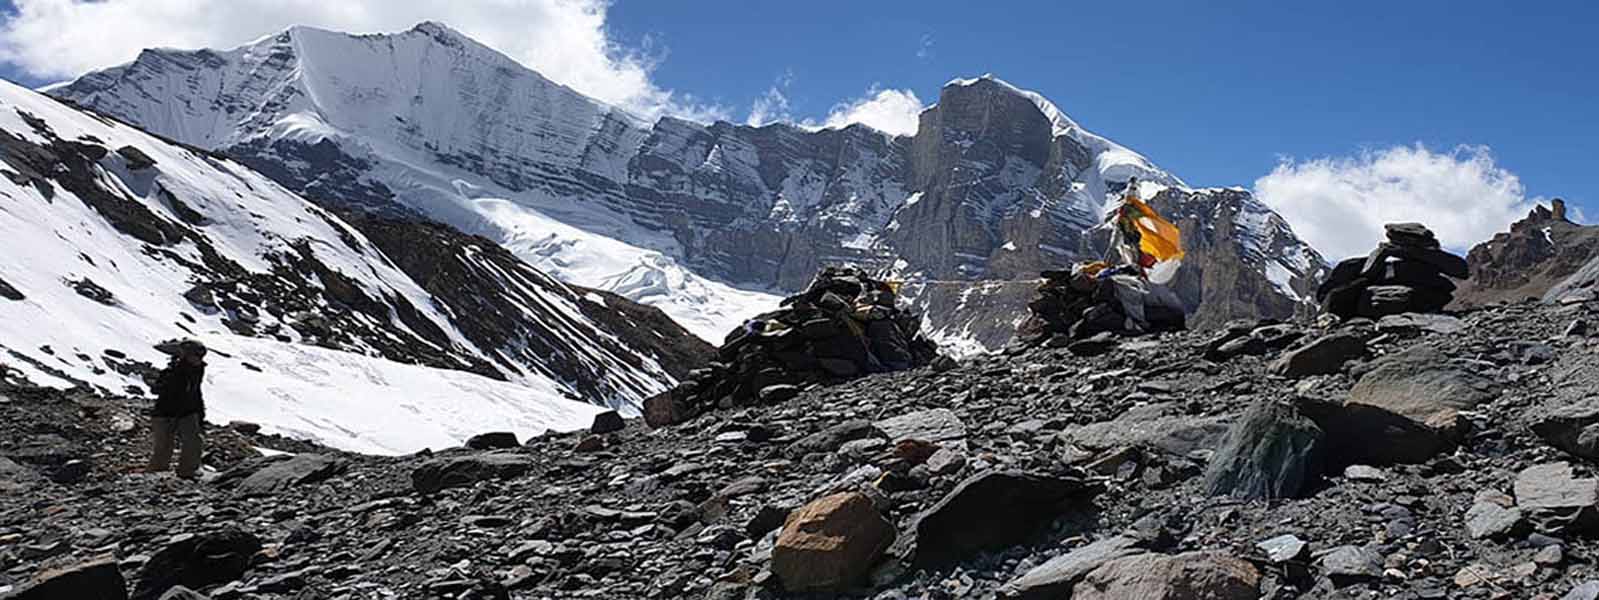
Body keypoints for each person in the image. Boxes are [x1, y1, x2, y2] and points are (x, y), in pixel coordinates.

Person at [150, 339, 207, 479]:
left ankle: (188, 471)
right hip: (166, 412)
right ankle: (156, 472)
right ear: (186, 355)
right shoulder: (172, 371)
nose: (199, 359)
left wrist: (200, 413)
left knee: (194, 441)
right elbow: (156, 389)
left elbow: (195, 391)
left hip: (188, 411)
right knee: (164, 445)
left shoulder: (198, 370)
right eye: (196, 355)